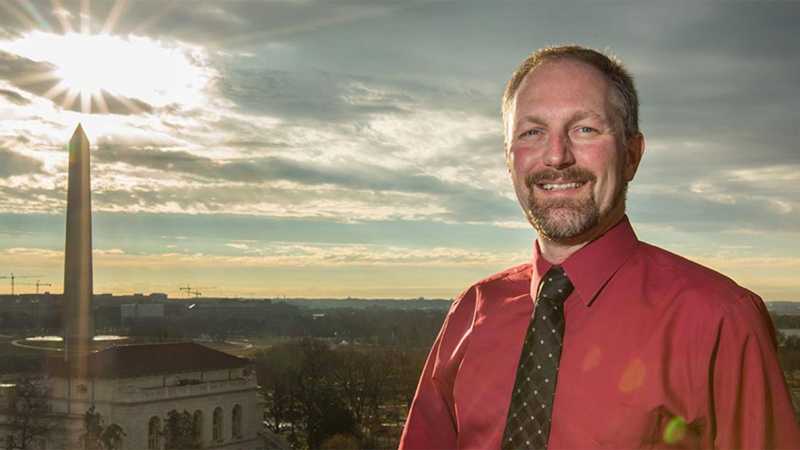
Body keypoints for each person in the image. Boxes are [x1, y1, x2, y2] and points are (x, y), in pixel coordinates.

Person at [398, 45, 800, 450]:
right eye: (532, 132)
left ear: (631, 154)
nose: (556, 156)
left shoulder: (720, 319)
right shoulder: (471, 310)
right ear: (509, 159)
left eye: (585, 129)